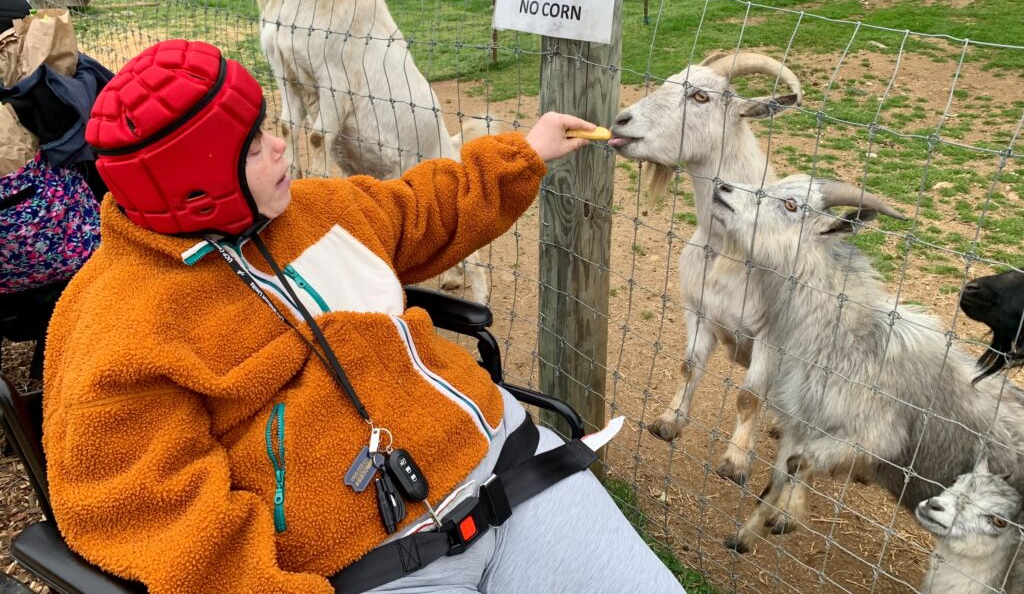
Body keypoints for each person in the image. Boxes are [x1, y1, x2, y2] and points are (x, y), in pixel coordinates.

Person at [43, 40, 688, 594]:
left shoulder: (317, 210)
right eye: (253, 147)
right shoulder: (117, 328)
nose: (282, 145)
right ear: (193, 184)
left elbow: (424, 207)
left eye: (267, 123)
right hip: (376, 568)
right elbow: (164, 519)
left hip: (507, 465)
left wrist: (525, 151)